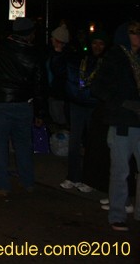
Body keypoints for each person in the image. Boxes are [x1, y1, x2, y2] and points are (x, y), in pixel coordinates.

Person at [0, 17, 45, 197]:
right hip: (23, 103)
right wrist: (39, 111)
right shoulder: (33, 53)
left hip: (0, 101)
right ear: (31, 34)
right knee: (23, 144)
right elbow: (40, 85)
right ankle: (28, 182)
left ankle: (1, 184)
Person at [91, 21, 140, 232]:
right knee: (121, 171)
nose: (138, 35)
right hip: (122, 122)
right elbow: (98, 87)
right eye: (134, 32)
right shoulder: (116, 57)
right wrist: (124, 103)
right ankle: (117, 214)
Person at [56, 28, 105, 193]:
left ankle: (90, 180)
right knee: (74, 143)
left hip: (94, 107)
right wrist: (58, 51)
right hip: (77, 105)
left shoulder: (107, 62)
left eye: (101, 43)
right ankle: (73, 176)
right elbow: (60, 69)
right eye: (95, 43)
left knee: (93, 145)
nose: (97, 46)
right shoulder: (80, 59)